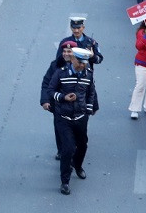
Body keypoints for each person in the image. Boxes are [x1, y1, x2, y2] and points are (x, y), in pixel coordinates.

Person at [48, 47, 99, 194]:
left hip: (81, 117)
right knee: (68, 149)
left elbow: (91, 93)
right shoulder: (61, 73)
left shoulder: (88, 74)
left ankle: (78, 166)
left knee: (82, 146)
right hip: (63, 118)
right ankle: (65, 181)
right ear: (73, 59)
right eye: (80, 62)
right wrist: (63, 97)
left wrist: (88, 110)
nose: (83, 65)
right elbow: (51, 91)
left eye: (85, 63)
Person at [41, 40, 76, 159]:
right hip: (59, 104)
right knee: (59, 129)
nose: (66, 54)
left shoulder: (80, 65)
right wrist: (45, 100)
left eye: (69, 51)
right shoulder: (55, 65)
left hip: (76, 106)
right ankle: (61, 151)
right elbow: (46, 83)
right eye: (64, 51)